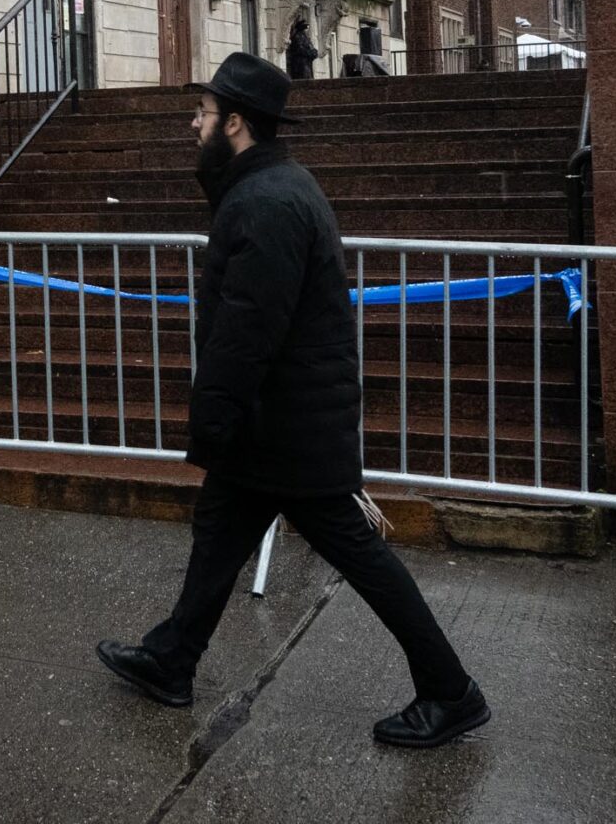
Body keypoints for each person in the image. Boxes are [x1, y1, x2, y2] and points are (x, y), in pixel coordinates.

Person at [95, 52, 489, 749]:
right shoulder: (267, 188)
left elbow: (247, 330)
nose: (194, 123)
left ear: (237, 124)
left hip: (287, 427)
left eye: (205, 113)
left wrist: (212, 418)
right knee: (219, 534)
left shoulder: (267, 202)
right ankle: (171, 659)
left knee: (361, 557)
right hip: (274, 424)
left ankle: (450, 690)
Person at [284, 15, 319, 81]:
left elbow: (310, 47)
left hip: (306, 64)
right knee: (303, 80)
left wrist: (314, 52)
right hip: (300, 65)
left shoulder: (305, 37)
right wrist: (311, 53)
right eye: (306, 28)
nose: (307, 30)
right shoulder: (298, 37)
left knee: (308, 80)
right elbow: (300, 50)